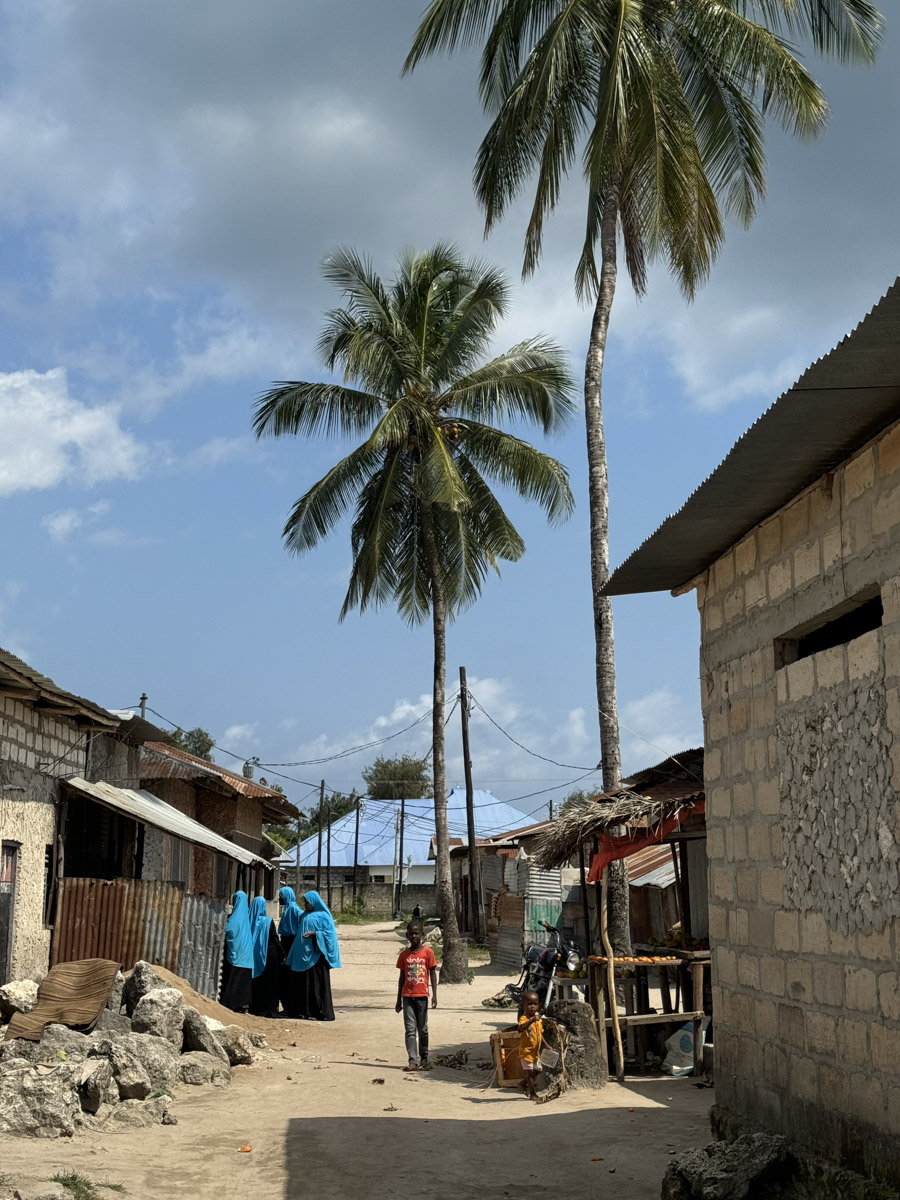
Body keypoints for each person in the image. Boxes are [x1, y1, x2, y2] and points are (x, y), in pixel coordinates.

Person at [283, 890, 341, 1020]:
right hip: (302, 956)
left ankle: (318, 1012)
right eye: (304, 902)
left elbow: (330, 934)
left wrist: (316, 934)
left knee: (316, 985)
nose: (305, 904)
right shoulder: (305, 914)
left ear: (314, 902)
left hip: (316, 957)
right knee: (303, 985)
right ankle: (304, 1011)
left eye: (307, 902)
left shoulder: (323, 916)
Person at [395, 920, 437, 1071]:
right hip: (407, 997)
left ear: (422, 934)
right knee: (410, 1029)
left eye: (416, 933)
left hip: (422, 996)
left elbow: (432, 973)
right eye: (411, 934)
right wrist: (398, 1000)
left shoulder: (428, 953)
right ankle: (413, 1060)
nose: (414, 936)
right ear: (407, 935)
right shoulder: (404, 955)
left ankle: (424, 1056)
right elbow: (401, 978)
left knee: (423, 1029)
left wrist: (434, 995)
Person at [249, 896, 284, 1018]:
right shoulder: (267, 921)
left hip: (254, 956)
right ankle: (270, 1010)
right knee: (271, 984)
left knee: (257, 983)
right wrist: (282, 954)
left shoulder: (249, 920)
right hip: (269, 955)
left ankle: (256, 1008)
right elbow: (275, 938)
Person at [220, 890, 253, 1012]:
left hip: (237, 954)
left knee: (233, 979)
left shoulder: (235, 917)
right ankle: (243, 1004)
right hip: (247, 954)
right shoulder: (247, 916)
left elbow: (229, 930)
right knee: (243, 981)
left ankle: (230, 1003)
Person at [514, 989, 544, 1100]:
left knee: (538, 1070)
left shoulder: (538, 1019)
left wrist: (545, 1045)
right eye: (529, 1004)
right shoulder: (524, 1018)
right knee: (530, 1072)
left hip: (535, 1052)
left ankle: (522, 1083)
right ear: (523, 1006)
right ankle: (532, 1093)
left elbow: (540, 1034)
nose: (532, 1007)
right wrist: (531, 1021)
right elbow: (520, 1029)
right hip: (526, 1051)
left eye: (535, 1004)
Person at [278, 885, 303, 1016]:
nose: (279, 899)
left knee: (289, 977)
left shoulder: (294, 909)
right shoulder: (287, 909)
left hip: (290, 943)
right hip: (286, 941)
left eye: (281, 896)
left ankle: (292, 1008)